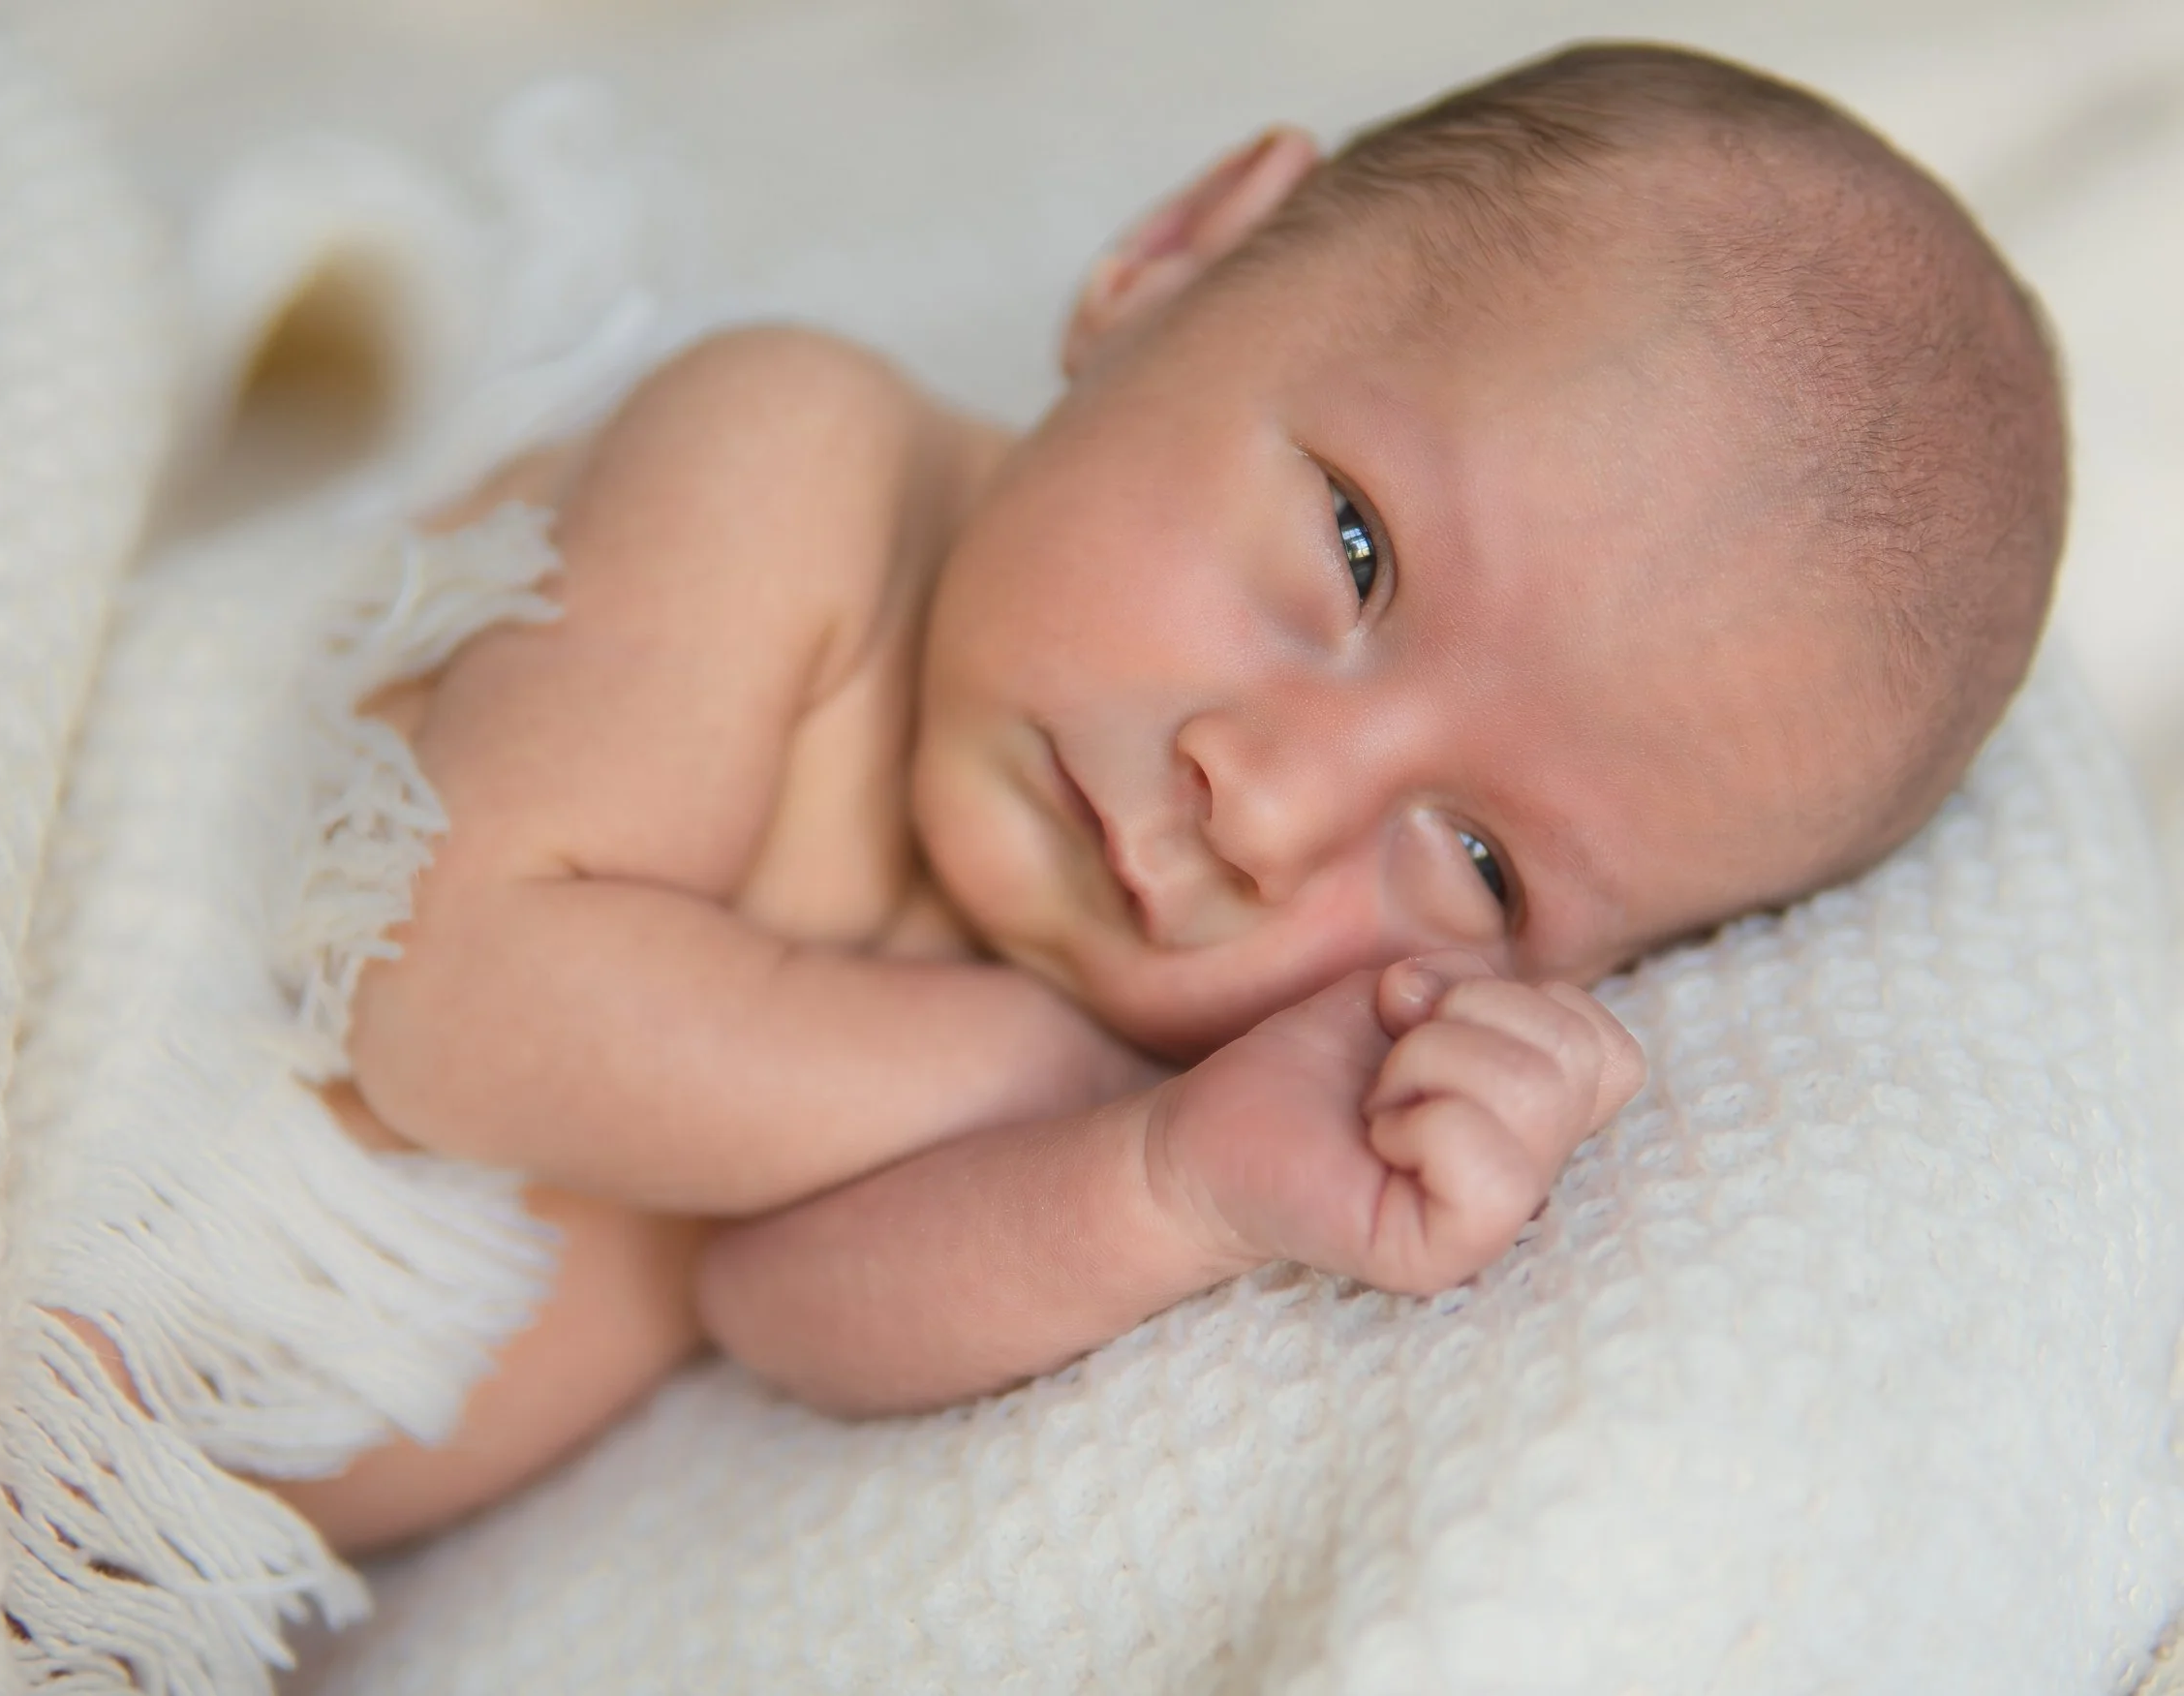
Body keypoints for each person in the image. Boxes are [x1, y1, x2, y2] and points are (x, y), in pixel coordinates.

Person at [236, 40, 2064, 1552]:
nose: (1267, 806)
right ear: (1180, 255)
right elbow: (445, 991)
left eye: (1484, 863)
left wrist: (1172, 1177)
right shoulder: (788, 471)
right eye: (1356, 551)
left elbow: (779, 1306)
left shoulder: (1115, 1015)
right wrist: (1035, 1070)